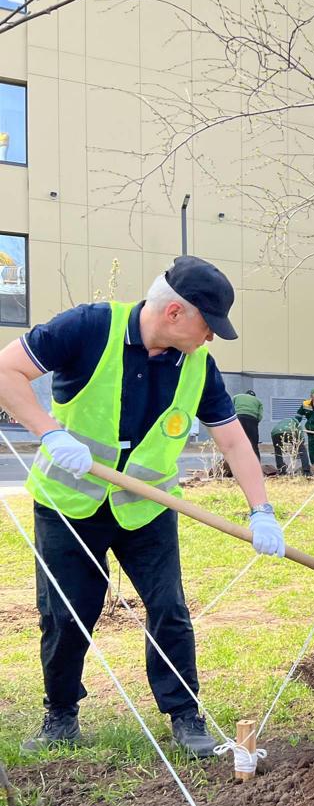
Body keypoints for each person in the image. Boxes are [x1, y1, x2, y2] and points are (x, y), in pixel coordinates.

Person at [0, 256, 286, 758]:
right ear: (176, 312)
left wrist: (261, 509)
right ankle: (60, 714)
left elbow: (235, 443)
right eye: (209, 325)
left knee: (169, 608)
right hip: (70, 502)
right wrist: (51, 433)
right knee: (67, 615)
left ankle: (185, 715)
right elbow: (6, 371)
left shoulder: (198, 365)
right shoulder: (89, 327)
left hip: (145, 509)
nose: (213, 338)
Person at [232, 388, 263, 462]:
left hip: (238, 418)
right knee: (254, 443)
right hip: (252, 419)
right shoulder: (258, 401)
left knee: (236, 442)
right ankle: (257, 464)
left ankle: (235, 464)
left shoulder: (236, 397)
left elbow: (230, 408)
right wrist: (255, 423)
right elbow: (260, 416)